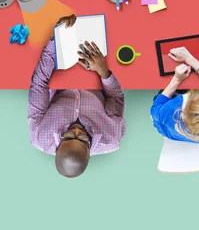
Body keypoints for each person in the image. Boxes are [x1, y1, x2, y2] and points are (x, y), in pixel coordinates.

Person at [27, 15, 126, 178]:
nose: (77, 129)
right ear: (89, 150)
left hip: (61, 68)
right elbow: (116, 98)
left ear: (57, 146)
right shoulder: (111, 137)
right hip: (95, 70)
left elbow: (39, 83)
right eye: (82, 137)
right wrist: (103, 70)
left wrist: (57, 38)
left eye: (69, 135)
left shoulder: (40, 135)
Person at [150, 47, 199, 143]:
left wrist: (177, 79)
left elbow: (155, 109)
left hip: (164, 126)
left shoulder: (171, 109)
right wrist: (189, 59)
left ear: (195, 99)